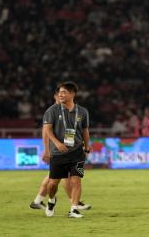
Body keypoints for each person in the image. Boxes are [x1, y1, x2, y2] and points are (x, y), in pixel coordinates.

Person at [30, 91, 91, 211]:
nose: (63, 97)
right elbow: (45, 132)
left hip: (66, 149)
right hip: (57, 150)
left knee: (53, 177)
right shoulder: (52, 111)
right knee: (63, 178)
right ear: (55, 97)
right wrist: (47, 150)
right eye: (60, 95)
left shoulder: (66, 110)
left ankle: (38, 200)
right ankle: (74, 203)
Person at [43, 81, 92, 218]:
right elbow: (47, 130)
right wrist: (57, 143)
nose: (61, 95)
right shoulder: (52, 110)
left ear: (72, 94)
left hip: (77, 152)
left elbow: (85, 130)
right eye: (59, 92)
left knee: (76, 180)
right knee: (52, 184)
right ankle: (52, 200)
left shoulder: (82, 111)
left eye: (64, 92)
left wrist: (87, 146)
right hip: (58, 153)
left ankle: (74, 209)